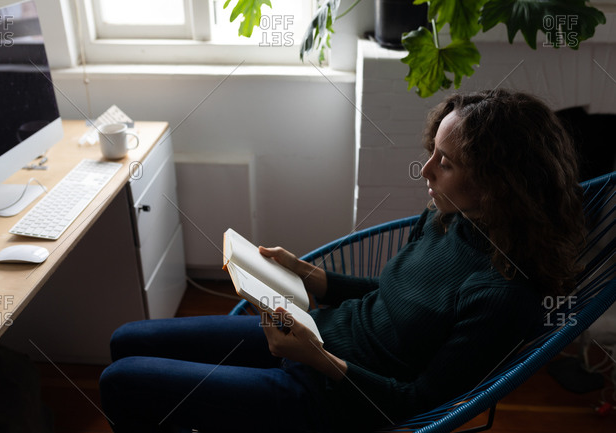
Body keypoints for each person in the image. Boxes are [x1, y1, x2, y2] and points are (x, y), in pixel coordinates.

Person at [99, 89, 586, 433]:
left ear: (499, 185)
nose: (427, 169)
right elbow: (391, 299)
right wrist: (315, 277)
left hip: (329, 398)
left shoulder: (501, 295)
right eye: (432, 152)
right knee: (126, 340)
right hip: (315, 333)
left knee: (122, 383)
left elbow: (417, 403)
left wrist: (318, 360)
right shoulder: (453, 220)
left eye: (447, 162)